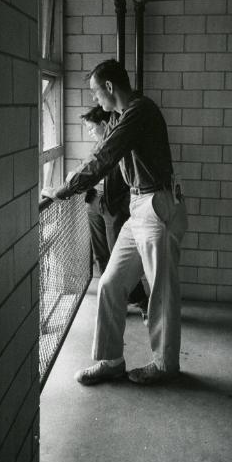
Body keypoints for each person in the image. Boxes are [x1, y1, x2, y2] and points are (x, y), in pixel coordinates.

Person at [42, 59, 187, 385]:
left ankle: (166, 366)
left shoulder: (139, 110)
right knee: (110, 284)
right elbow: (101, 151)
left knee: (161, 291)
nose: (95, 100)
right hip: (140, 206)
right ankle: (111, 360)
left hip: (156, 205)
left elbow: (104, 157)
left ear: (109, 87)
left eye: (95, 92)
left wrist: (63, 190)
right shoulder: (123, 116)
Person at [81, 106, 148, 315]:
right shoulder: (97, 147)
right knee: (101, 254)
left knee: (117, 256)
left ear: (104, 125)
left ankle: (140, 299)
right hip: (94, 202)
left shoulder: (118, 144)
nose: (90, 133)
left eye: (92, 129)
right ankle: (112, 300)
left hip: (113, 205)